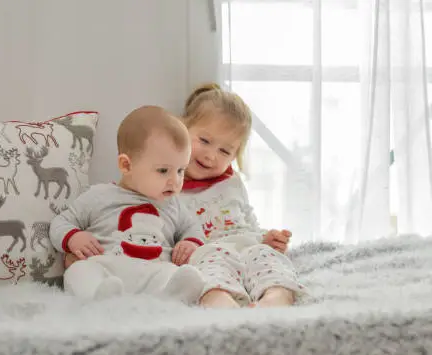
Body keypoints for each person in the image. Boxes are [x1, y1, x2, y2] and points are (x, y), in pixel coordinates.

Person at [50, 105, 206, 303]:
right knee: (80, 270)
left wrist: (190, 242)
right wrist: (73, 237)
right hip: (107, 267)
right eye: (163, 171)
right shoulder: (99, 195)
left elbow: (193, 228)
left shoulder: (173, 205)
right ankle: (98, 297)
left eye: (181, 170)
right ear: (127, 165)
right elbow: (61, 222)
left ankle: (171, 297)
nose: (175, 181)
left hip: (153, 271)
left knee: (173, 273)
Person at [179, 83, 306, 308]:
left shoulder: (232, 182)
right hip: (210, 251)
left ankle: (275, 299)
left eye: (225, 151)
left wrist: (267, 238)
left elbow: (248, 221)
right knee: (209, 274)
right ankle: (223, 305)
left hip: (248, 245)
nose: (210, 156)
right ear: (182, 129)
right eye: (205, 141)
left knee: (271, 262)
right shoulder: (169, 186)